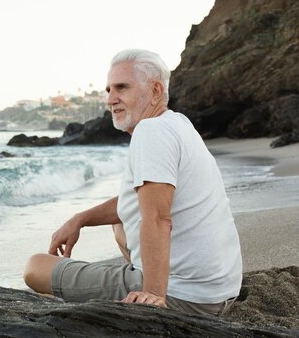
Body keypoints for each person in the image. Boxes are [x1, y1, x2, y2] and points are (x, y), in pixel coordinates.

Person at [23, 49, 242, 316]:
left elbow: (159, 218)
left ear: (155, 90)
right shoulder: (177, 123)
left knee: (35, 267)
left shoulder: (151, 132)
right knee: (119, 221)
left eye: (122, 88)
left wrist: (153, 295)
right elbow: (146, 199)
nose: (111, 99)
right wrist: (79, 219)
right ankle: (141, 278)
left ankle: (144, 286)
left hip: (185, 296)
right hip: (218, 290)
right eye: (108, 90)